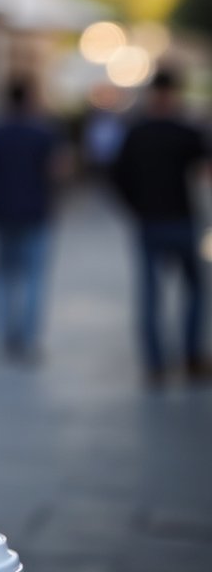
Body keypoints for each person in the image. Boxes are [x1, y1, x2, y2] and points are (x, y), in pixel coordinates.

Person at [111, 67, 211, 386]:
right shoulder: (185, 130)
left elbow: (116, 176)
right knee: (191, 290)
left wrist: (135, 207)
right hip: (180, 218)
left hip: (151, 221)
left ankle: (156, 363)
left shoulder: (136, 131)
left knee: (152, 294)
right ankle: (190, 355)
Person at [0, 77, 63, 362]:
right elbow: (56, 171)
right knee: (32, 278)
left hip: (2, 211)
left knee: (3, 277)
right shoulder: (43, 133)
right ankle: (27, 339)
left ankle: (2, 337)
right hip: (34, 211)